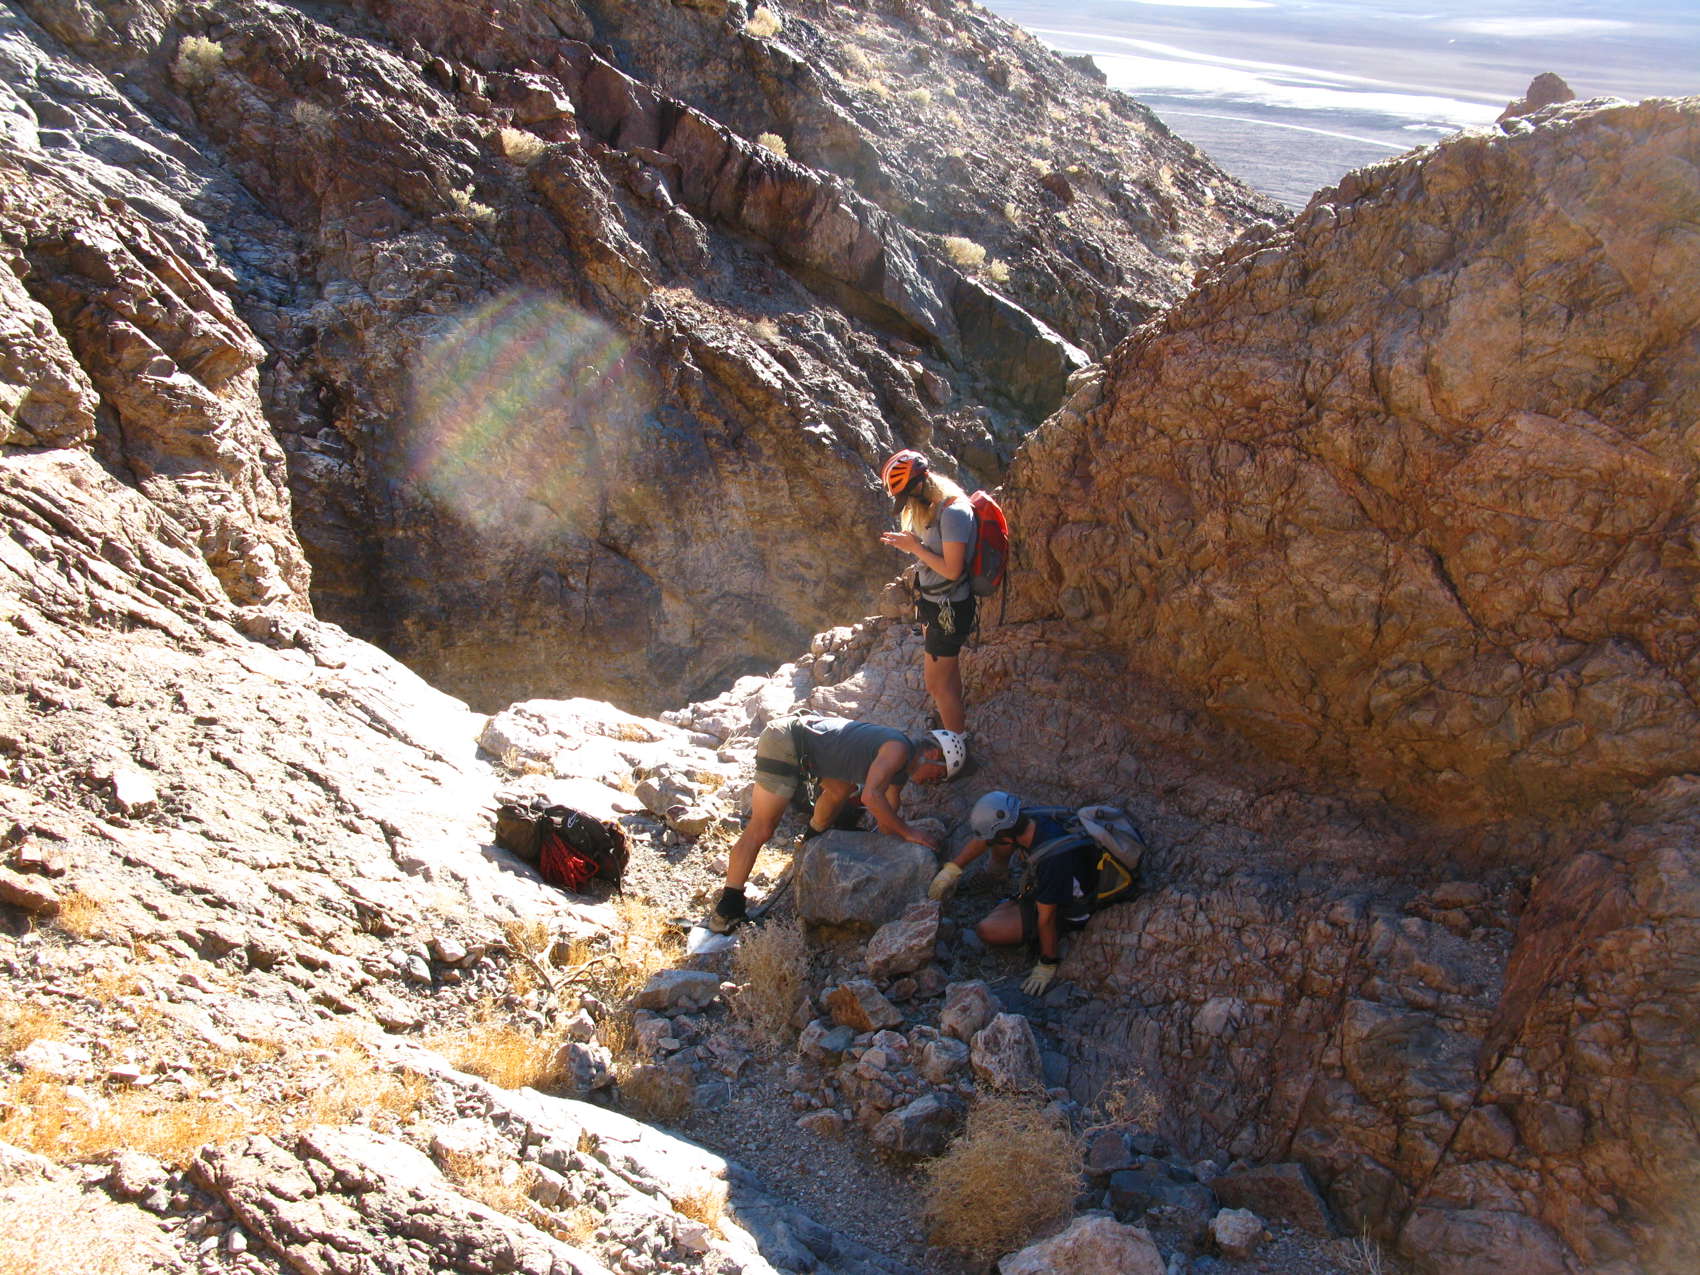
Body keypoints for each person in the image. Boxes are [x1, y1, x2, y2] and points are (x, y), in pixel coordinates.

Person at [709, 715, 968, 933]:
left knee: (841, 790)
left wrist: (912, 848)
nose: (935, 782)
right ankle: (727, 909)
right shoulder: (898, 750)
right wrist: (910, 832)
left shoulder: (900, 768)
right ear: (934, 754)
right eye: (940, 775)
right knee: (762, 827)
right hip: (786, 740)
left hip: (808, 749)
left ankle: (811, 840)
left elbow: (888, 819)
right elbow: (871, 797)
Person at [927, 790, 1098, 996]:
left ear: (1007, 837)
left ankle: (1044, 941)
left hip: (1073, 903)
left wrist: (1047, 963)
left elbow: (1047, 918)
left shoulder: (1052, 860)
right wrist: (952, 869)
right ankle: (998, 878)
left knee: (987, 929)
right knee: (1002, 902)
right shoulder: (1026, 817)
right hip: (1063, 874)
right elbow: (986, 837)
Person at [878, 450, 975, 736]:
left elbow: (953, 570)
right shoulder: (936, 507)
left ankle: (957, 749)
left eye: (907, 495)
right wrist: (914, 543)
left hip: (949, 609)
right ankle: (954, 729)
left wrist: (915, 548)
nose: (907, 503)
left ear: (920, 484)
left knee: (936, 685)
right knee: (947, 678)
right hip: (938, 605)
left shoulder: (953, 512)